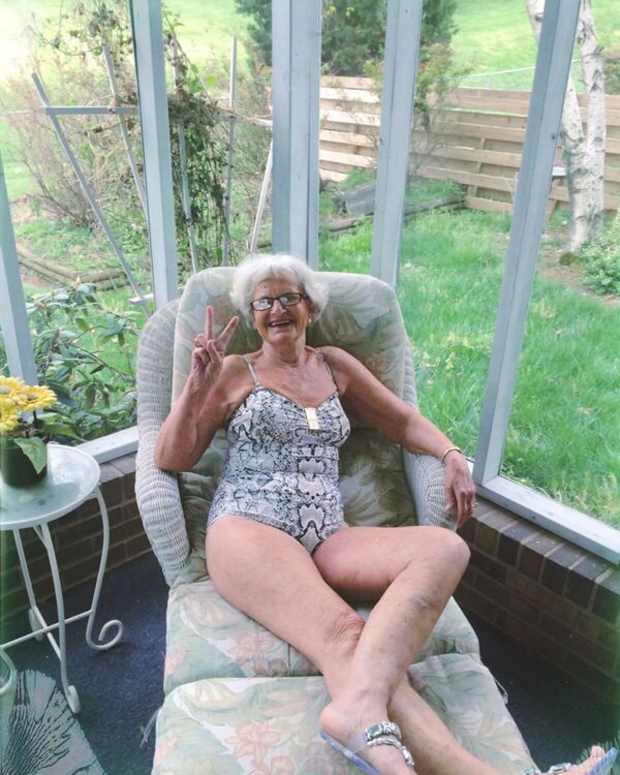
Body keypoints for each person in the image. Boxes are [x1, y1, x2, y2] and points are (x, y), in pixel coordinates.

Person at [155, 254, 616, 775]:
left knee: (445, 549)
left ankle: (357, 711)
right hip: (250, 524)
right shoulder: (235, 371)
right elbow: (171, 457)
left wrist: (450, 454)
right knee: (346, 639)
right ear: (252, 315)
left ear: (310, 307)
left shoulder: (333, 365)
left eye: (288, 298)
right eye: (264, 301)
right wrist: (195, 387)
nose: (277, 309)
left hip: (328, 532)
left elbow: (402, 421)